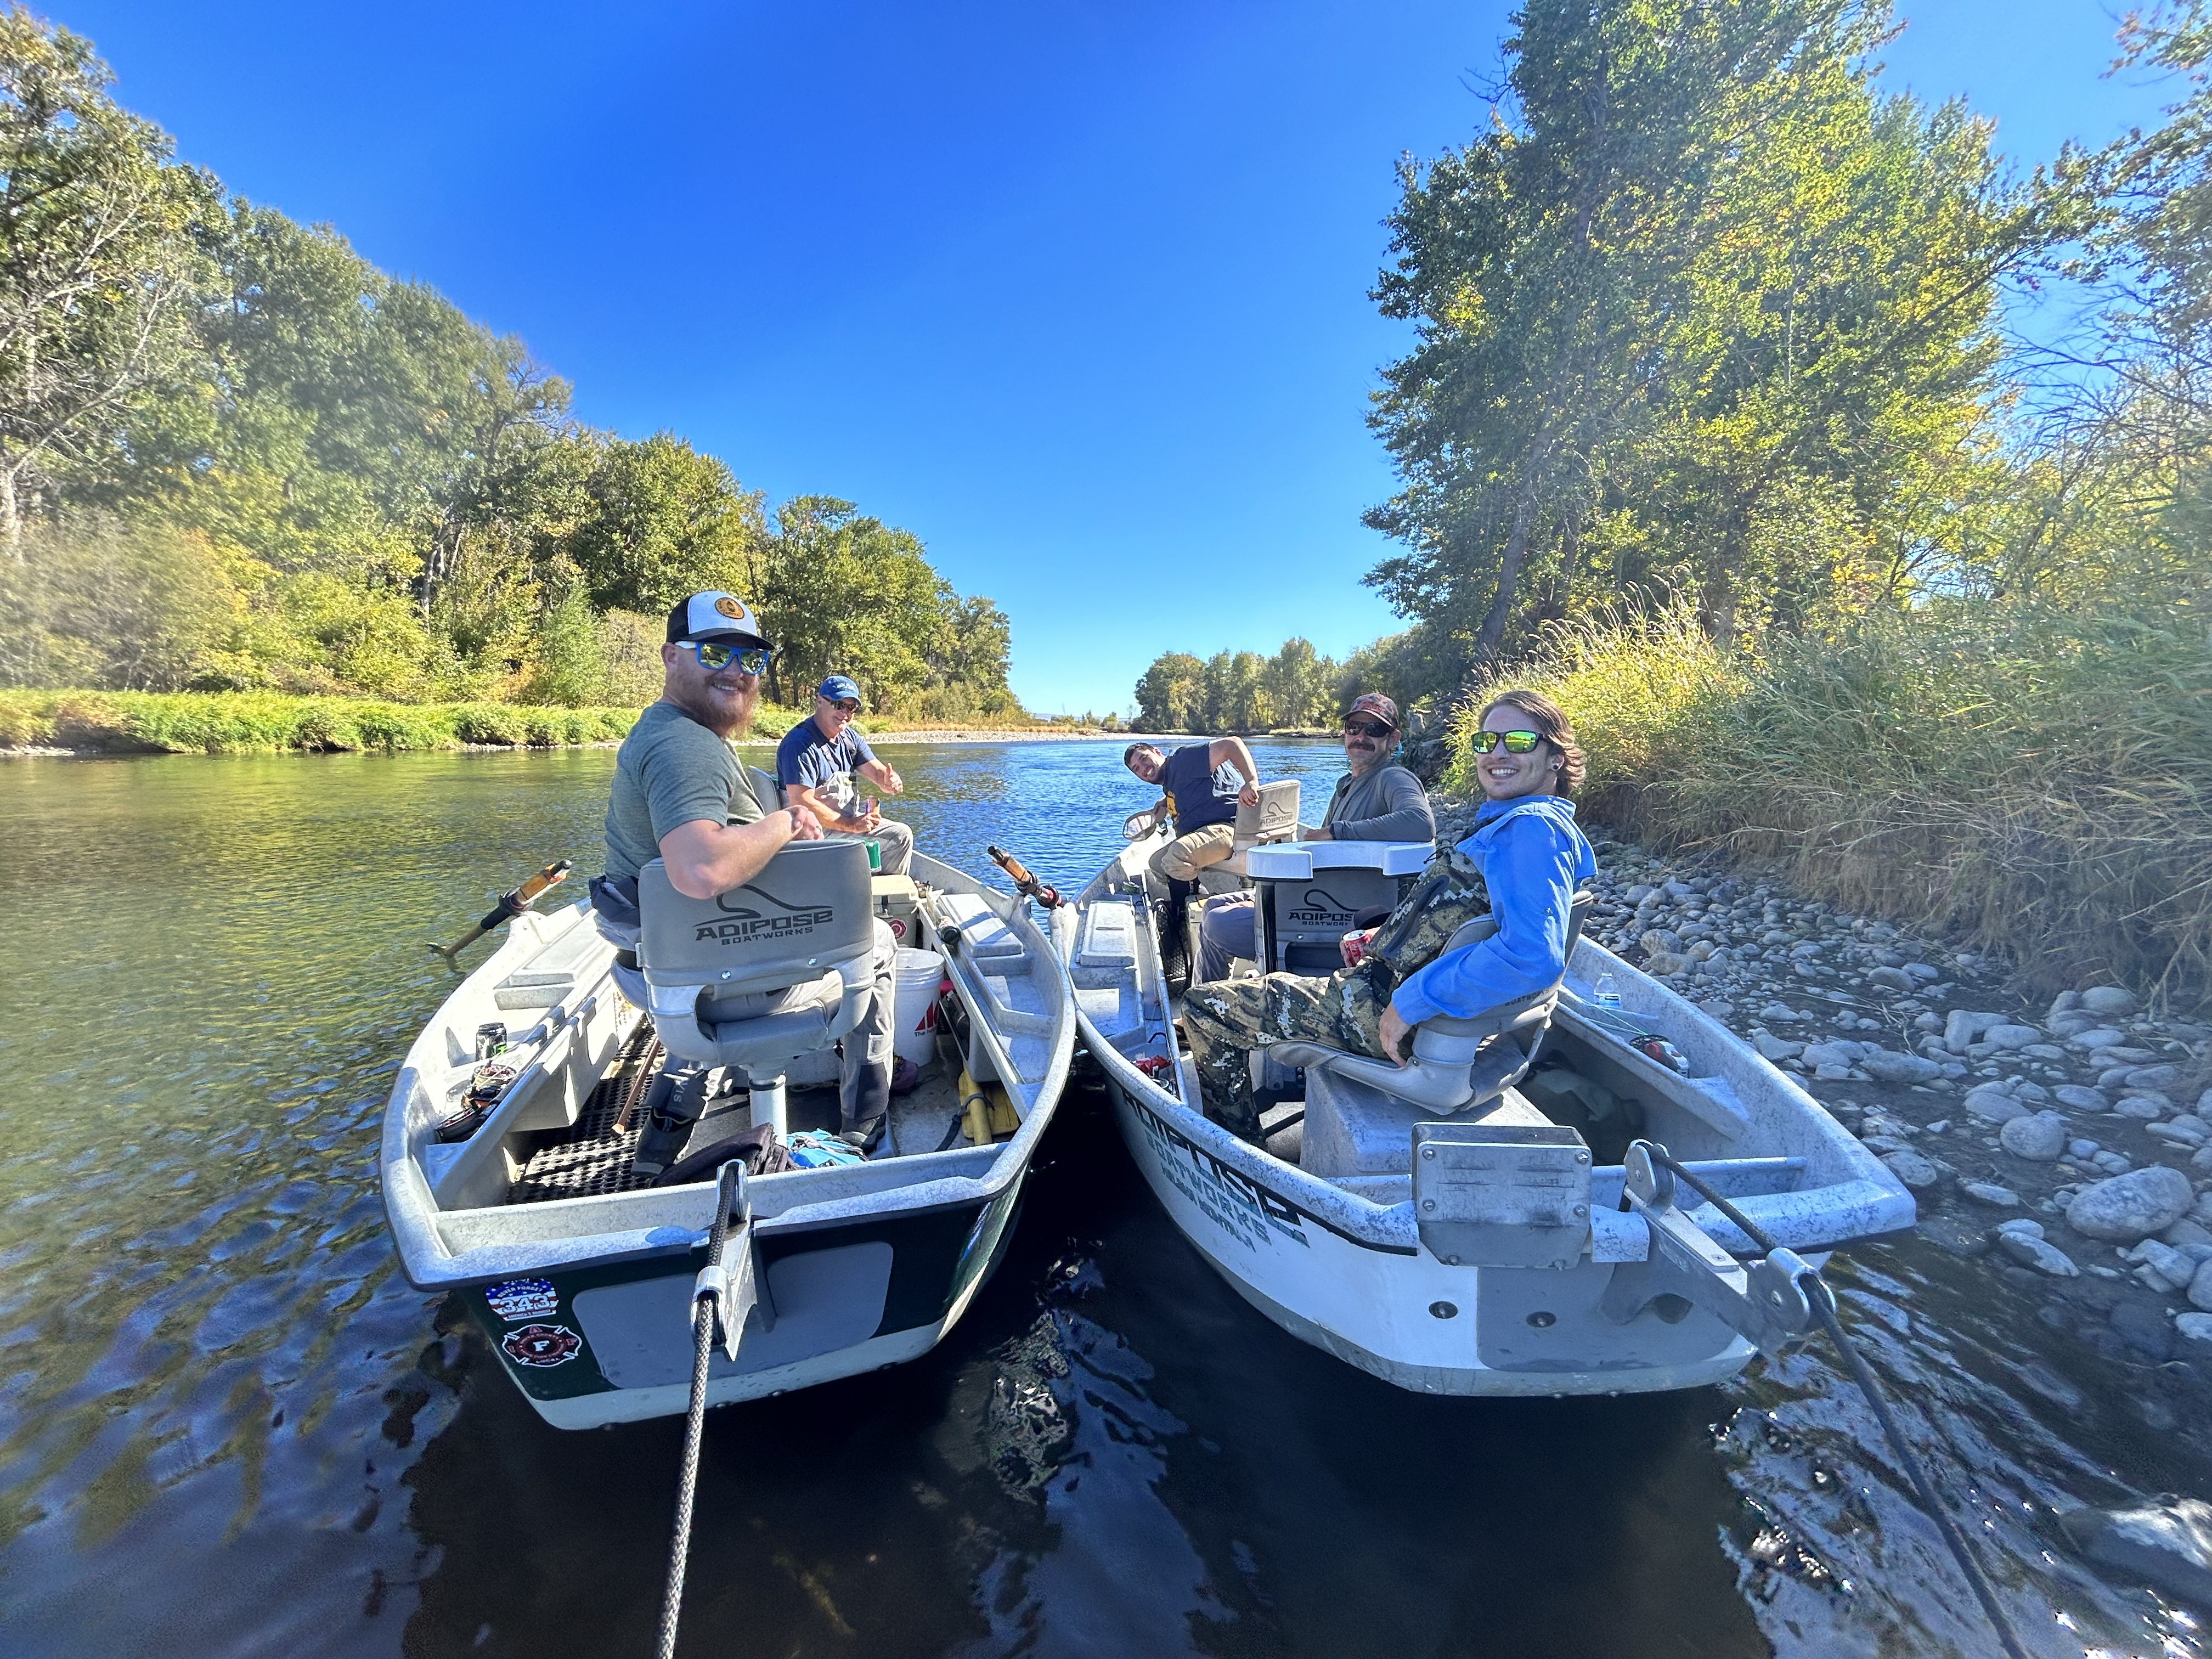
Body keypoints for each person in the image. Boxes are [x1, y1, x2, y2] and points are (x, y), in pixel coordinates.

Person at [1181, 690, 1598, 1140]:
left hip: (1386, 1010)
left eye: (1518, 742)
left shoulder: (1530, 829)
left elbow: (1533, 954)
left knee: (1206, 1009)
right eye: (1487, 742)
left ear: (1556, 757)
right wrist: (1388, 935)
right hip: (1397, 993)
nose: (1497, 754)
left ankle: (1238, 1153)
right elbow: (1471, 916)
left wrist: (1411, 1000)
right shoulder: (1535, 824)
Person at [590, 593, 897, 1173]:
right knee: (878, 942)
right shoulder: (687, 746)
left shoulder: (665, 730)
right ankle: (864, 1121)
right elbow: (702, 868)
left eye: (750, 660)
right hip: (720, 975)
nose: (736, 671)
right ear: (670, 657)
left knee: (707, 948)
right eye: (715, 652)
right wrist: (786, 820)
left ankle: (657, 1151)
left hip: (674, 970)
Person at [1193, 692, 1435, 983]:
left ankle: (1212, 1001)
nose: (1361, 737)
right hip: (1311, 901)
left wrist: (1337, 832)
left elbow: (1420, 822)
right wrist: (1264, 899)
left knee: (1219, 923)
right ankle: (1209, 997)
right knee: (1211, 905)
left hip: (1329, 920)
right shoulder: (1347, 785)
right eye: (1354, 728)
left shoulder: (1393, 778)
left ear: (1393, 739)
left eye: (1374, 730)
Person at [1123, 735, 1262, 975]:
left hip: (1228, 828)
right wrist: (1161, 808)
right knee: (1157, 863)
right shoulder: (1172, 782)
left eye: (1145, 760)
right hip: (1204, 833)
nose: (1144, 770)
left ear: (1157, 752)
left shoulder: (1183, 759)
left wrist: (1251, 781)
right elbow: (1190, 794)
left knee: (1176, 857)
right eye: (1137, 769)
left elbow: (1232, 745)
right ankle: (1200, 895)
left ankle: (1182, 924)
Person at [776, 674, 913, 876]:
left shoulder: (849, 738)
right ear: (820, 702)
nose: (845, 713)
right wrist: (852, 825)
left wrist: (888, 780)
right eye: (839, 705)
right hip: (815, 833)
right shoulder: (799, 744)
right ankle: (871, 895)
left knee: (902, 834)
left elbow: (877, 772)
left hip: (846, 826)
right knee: (898, 836)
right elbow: (802, 803)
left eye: (851, 708)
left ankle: (884, 896)